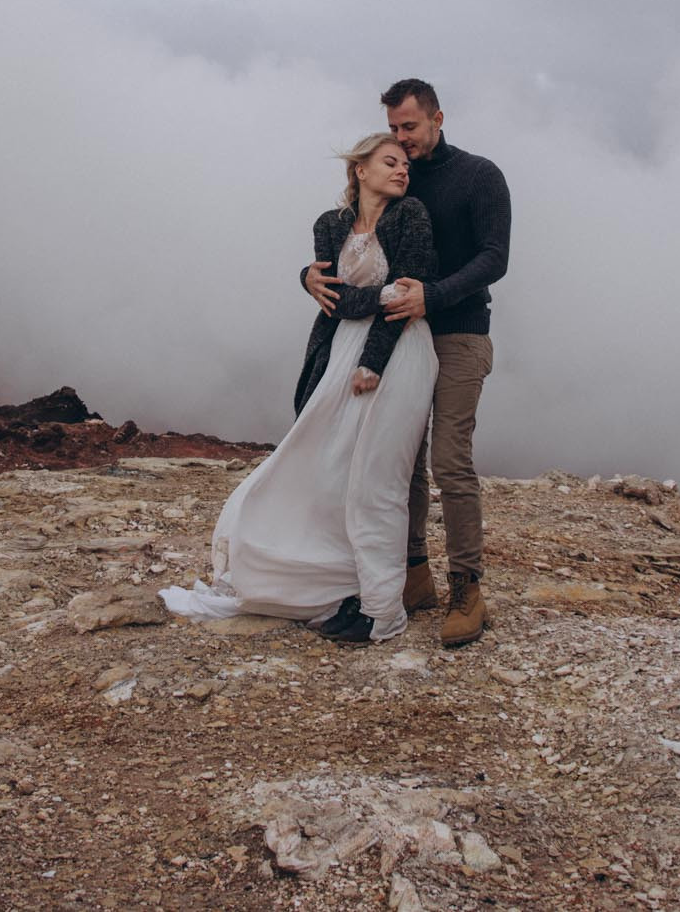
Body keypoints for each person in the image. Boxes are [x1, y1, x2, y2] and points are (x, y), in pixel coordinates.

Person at [161, 134, 438, 643]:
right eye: (390, 162)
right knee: (323, 466)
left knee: (378, 479)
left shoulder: (412, 215)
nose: (402, 172)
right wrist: (350, 292)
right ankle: (337, 589)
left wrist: (373, 361)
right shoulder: (329, 225)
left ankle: (383, 610)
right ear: (360, 170)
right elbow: (331, 300)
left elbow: (403, 299)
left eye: (405, 165)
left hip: (398, 353)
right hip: (337, 355)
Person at [304, 79, 510, 646]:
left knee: (449, 459)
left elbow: (496, 257)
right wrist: (307, 277)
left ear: (438, 119)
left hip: (460, 332)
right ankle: (413, 575)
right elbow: (357, 245)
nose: (402, 141)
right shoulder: (399, 179)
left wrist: (433, 297)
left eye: (410, 128)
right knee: (400, 460)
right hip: (397, 335)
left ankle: (467, 587)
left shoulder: (478, 175)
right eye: (394, 130)